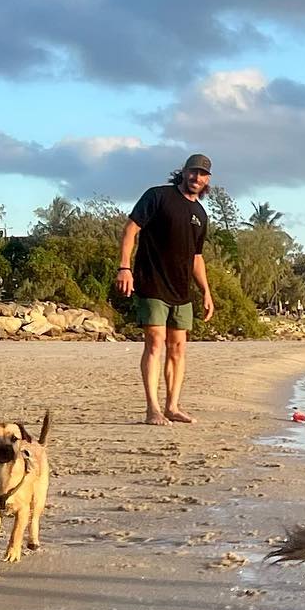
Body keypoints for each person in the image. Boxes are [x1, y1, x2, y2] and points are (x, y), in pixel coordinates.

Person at [116, 152, 215, 425]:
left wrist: (206, 291)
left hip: (182, 291)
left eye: (203, 174)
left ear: (207, 180)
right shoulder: (158, 196)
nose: (197, 178)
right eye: (193, 172)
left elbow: (197, 257)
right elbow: (130, 230)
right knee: (155, 343)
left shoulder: (200, 214)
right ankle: (153, 409)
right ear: (183, 172)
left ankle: (172, 406)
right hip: (152, 283)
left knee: (178, 348)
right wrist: (125, 268)